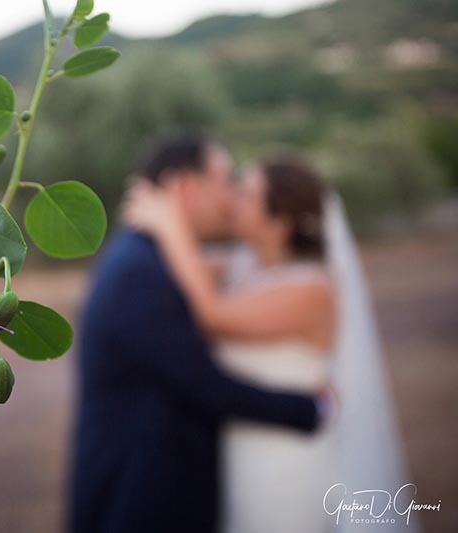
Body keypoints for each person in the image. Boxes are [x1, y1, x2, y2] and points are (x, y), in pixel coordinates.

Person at [121, 152, 417, 533]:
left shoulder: (312, 289)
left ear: (278, 224)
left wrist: (168, 223)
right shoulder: (243, 264)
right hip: (239, 453)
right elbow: (186, 268)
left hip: (283, 462)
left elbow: (214, 315)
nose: (232, 200)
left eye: (245, 194)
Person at [69, 134, 327, 533]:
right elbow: (204, 383)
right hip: (140, 500)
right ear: (187, 188)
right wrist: (311, 410)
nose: (230, 200)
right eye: (225, 183)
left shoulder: (162, 260)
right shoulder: (140, 272)